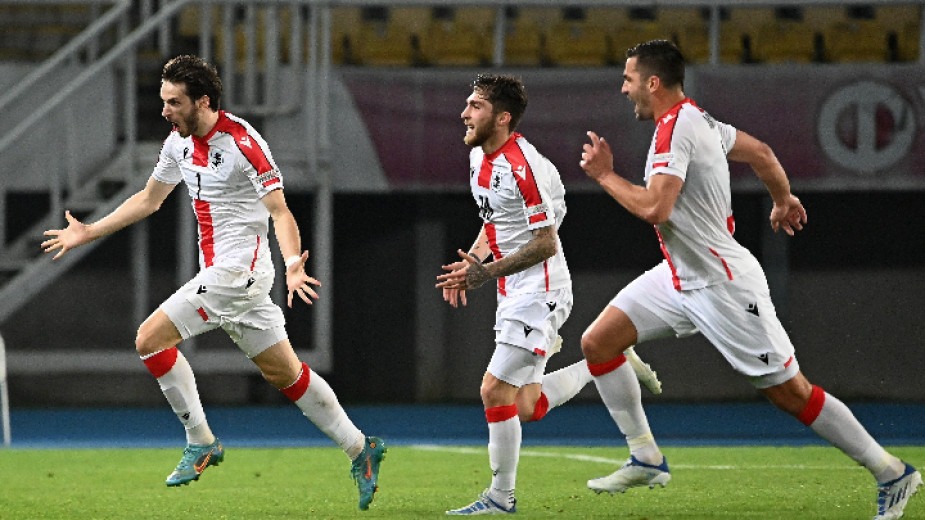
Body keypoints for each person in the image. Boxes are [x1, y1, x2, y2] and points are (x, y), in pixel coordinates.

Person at [577, 39, 921, 519]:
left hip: (722, 285)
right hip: (679, 276)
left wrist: (605, 175)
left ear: (652, 83)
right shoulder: (698, 119)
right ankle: (646, 458)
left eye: (628, 79)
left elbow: (656, 208)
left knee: (791, 393)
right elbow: (761, 152)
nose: (623, 88)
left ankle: (892, 472)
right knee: (598, 343)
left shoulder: (675, 129)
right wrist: (782, 198)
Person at [41, 55, 386, 511]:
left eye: (174, 102)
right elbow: (149, 199)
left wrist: (293, 264)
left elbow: (280, 211)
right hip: (226, 276)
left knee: (149, 339)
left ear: (202, 101)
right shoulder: (177, 144)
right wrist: (89, 231)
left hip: (239, 273)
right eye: (164, 101)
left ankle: (201, 441)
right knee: (284, 373)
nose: (165, 110)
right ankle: (361, 448)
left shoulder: (244, 143)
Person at [435, 73, 661, 516]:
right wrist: (474, 262)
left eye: (476, 106)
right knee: (526, 405)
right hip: (513, 289)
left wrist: (485, 273)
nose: (464, 113)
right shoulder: (479, 157)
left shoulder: (525, 167)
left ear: (502, 117)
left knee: (493, 391)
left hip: (540, 290)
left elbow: (546, 243)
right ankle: (604, 364)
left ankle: (500, 498)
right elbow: (495, 221)